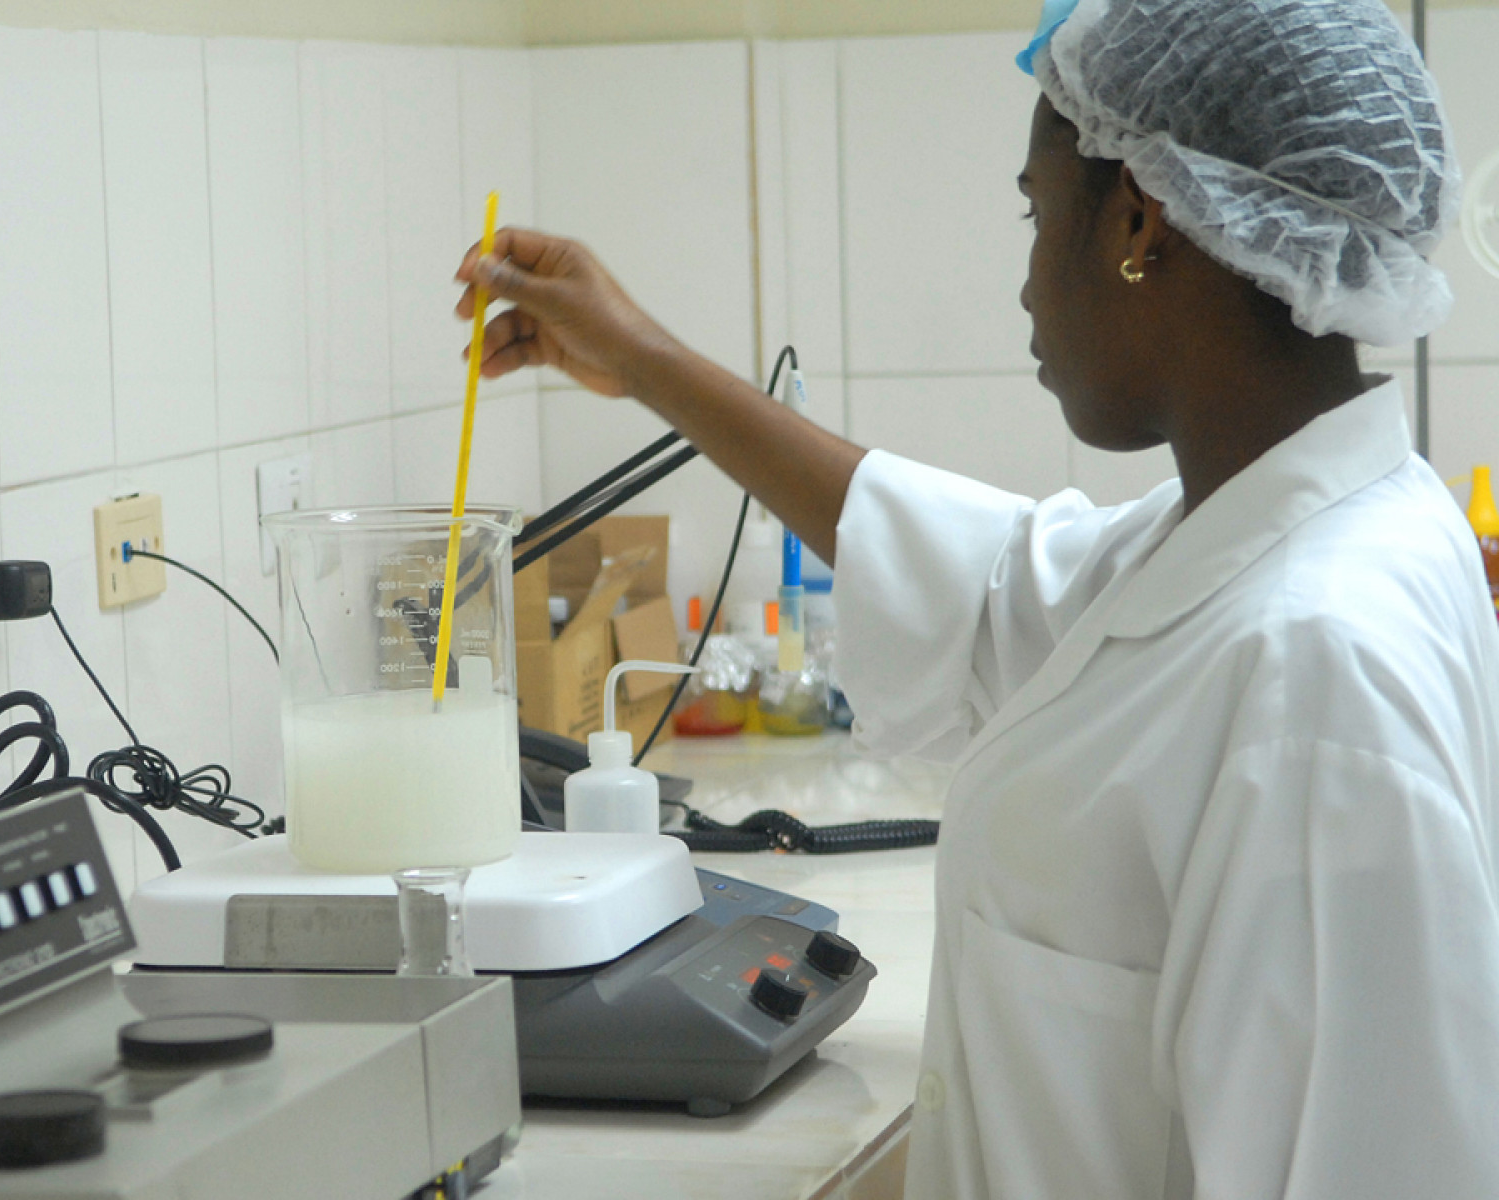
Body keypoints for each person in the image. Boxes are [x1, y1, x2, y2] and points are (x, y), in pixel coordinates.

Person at [453, 0, 1499, 1196]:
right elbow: (989, 581)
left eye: (1036, 214)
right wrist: (642, 357)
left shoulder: (1314, 672)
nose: (1027, 289)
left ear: (1141, 222)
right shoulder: (1271, 537)